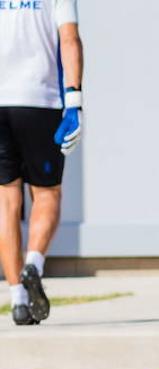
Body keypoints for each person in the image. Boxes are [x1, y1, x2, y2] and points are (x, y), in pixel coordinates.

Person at [0, 0, 81, 325]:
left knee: (6, 200)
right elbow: (70, 39)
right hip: (41, 101)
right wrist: (75, 100)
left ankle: (18, 299)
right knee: (47, 193)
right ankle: (33, 263)